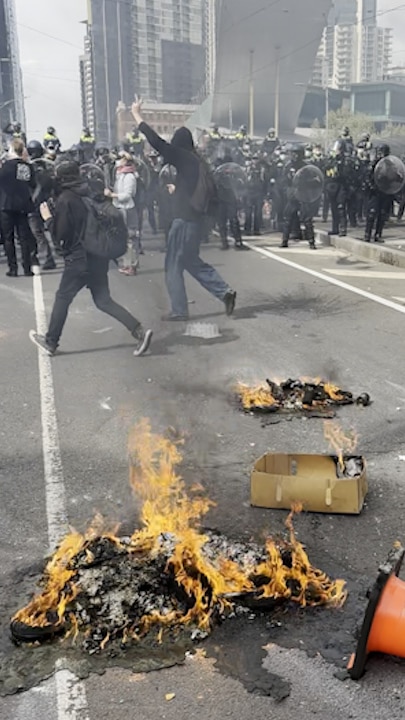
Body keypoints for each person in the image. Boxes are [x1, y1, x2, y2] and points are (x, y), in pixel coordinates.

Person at [28, 159, 153, 356]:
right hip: (98, 255)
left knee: (63, 297)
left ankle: (51, 341)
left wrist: (48, 218)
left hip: (79, 259)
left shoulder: (66, 199)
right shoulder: (89, 191)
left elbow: (61, 235)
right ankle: (139, 331)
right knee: (103, 300)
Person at [131, 97, 236, 320]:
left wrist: (137, 115)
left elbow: (157, 142)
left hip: (183, 221)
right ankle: (224, 291)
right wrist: (175, 188)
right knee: (190, 261)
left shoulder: (183, 157)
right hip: (196, 220)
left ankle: (179, 310)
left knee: (172, 265)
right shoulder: (197, 160)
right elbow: (191, 186)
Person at [0, 138, 37, 276]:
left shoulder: (5, 166)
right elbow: (32, 184)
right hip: (23, 205)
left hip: (6, 205)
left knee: (8, 239)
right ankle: (27, 268)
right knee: (24, 238)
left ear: (12, 150)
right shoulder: (27, 166)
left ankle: (13, 268)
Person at [105, 152, 140, 276]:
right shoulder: (120, 175)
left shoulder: (129, 176)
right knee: (124, 239)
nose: (117, 161)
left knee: (130, 239)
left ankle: (132, 265)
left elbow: (127, 195)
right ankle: (127, 264)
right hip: (120, 208)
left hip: (127, 209)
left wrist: (112, 195)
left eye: (120, 159)